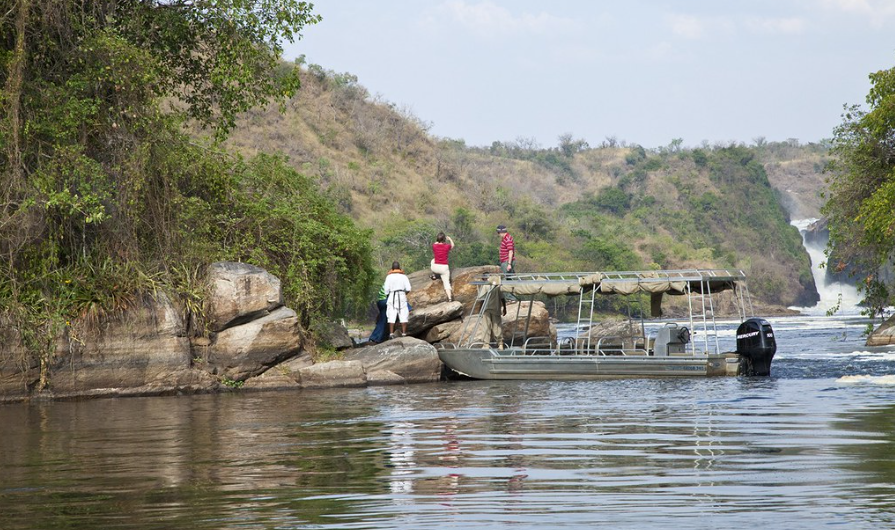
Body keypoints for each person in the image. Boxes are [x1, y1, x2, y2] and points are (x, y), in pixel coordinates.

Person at [383, 261, 412, 338]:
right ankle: (404, 333)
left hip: (392, 295)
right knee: (403, 314)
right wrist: (404, 294)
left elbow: (386, 290)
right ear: (399, 268)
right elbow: (408, 288)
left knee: (391, 314)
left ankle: (391, 334)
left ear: (392, 269)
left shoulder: (389, 277)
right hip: (402, 295)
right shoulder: (404, 277)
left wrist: (389, 295)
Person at [430, 231, 455, 301]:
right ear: (444, 239)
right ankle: (449, 298)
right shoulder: (447, 246)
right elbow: (453, 245)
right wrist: (450, 239)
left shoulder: (434, 246)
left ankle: (435, 275)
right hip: (444, 268)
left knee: (433, 260)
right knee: (446, 283)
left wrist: (439, 240)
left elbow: (435, 243)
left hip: (435, 268)